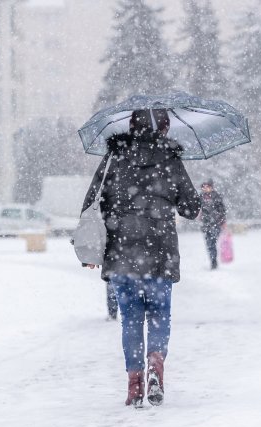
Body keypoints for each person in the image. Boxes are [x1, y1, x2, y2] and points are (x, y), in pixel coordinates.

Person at [80, 109, 201, 407]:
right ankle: (155, 366)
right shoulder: (170, 159)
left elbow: (93, 201)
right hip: (159, 249)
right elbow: (190, 208)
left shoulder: (114, 157)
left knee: (131, 320)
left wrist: (90, 248)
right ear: (163, 128)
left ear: (131, 126)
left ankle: (134, 384)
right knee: (159, 315)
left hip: (122, 249)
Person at [199, 179, 227, 269]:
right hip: (206, 224)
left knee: (212, 242)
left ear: (211, 187)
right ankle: (213, 260)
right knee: (209, 243)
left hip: (216, 223)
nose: (205, 188)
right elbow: (199, 208)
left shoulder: (216, 196)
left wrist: (222, 221)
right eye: (204, 187)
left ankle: (214, 260)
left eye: (207, 186)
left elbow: (222, 210)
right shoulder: (201, 197)